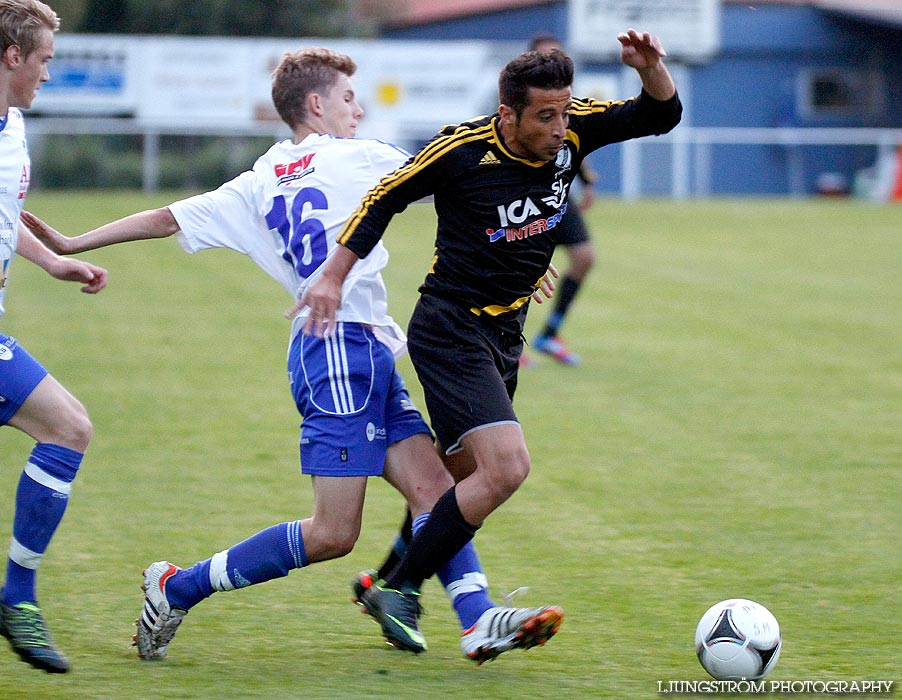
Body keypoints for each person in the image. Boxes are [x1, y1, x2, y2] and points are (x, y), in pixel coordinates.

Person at [24, 47, 562, 664]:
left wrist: (73, 240)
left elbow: (165, 219)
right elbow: (463, 178)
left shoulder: (258, 179)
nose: (357, 111)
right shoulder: (358, 157)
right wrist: (510, 260)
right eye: (347, 99)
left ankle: (478, 620)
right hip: (337, 351)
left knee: (435, 490)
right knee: (334, 533)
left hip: (355, 350)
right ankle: (177, 587)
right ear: (316, 105)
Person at [297, 29, 681, 650]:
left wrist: (652, 68)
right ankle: (414, 591)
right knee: (507, 468)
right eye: (545, 116)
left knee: (457, 480)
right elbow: (382, 198)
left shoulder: (575, 127)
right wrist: (332, 278)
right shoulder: (461, 150)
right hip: (451, 328)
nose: (560, 128)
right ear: (508, 113)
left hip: (505, 331)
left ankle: (390, 581)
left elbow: (662, 115)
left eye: (564, 111)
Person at [0, 0, 108, 674]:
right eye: (44, 60)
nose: (49, 72)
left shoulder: (14, 126)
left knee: (68, 427)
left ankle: (17, 598)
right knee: (69, 427)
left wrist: (52, 260)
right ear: (13, 56)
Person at [525, 32, 598, 367]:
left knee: (584, 257)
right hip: (522, 198)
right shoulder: (519, 103)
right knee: (519, 268)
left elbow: (572, 144)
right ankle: (506, 342)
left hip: (558, 194)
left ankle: (549, 334)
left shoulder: (566, 107)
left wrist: (587, 182)